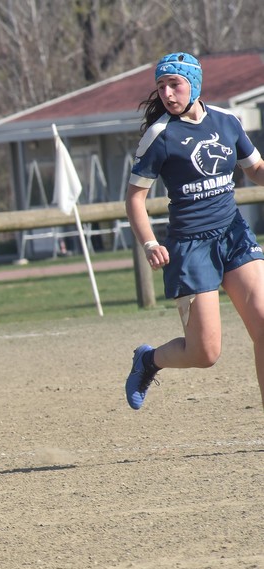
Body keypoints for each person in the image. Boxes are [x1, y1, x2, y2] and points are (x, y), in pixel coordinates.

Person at [124, 52, 264, 411]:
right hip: (190, 247)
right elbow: (135, 198)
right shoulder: (160, 135)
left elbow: (255, 168)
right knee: (205, 353)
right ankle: (148, 360)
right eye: (161, 86)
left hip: (234, 235)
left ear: (195, 84)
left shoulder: (226, 121)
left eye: (175, 84)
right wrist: (149, 243)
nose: (167, 94)